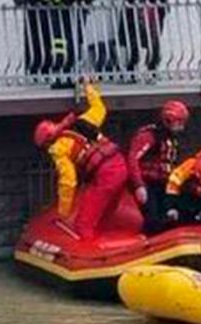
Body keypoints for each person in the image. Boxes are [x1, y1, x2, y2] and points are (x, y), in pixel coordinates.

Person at [33, 82, 129, 238]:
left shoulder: (58, 148)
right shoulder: (82, 121)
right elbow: (99, 108)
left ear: (47, 142)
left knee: (83, 224)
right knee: (104, 215)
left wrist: (63, 212)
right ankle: (111, 245)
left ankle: (92, 254)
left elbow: (68, 180)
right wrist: (89, 88)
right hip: (121, 165)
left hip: (106, 175)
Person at [126, 100, 189, 234]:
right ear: (169, 120)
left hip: (164, 184)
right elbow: (132, 159)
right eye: (179, 122)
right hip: (148, 184)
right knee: (152, 218)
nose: (181, 127)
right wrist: (139, 185)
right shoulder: (148, 136)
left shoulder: (171, 139)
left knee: (170, 215)